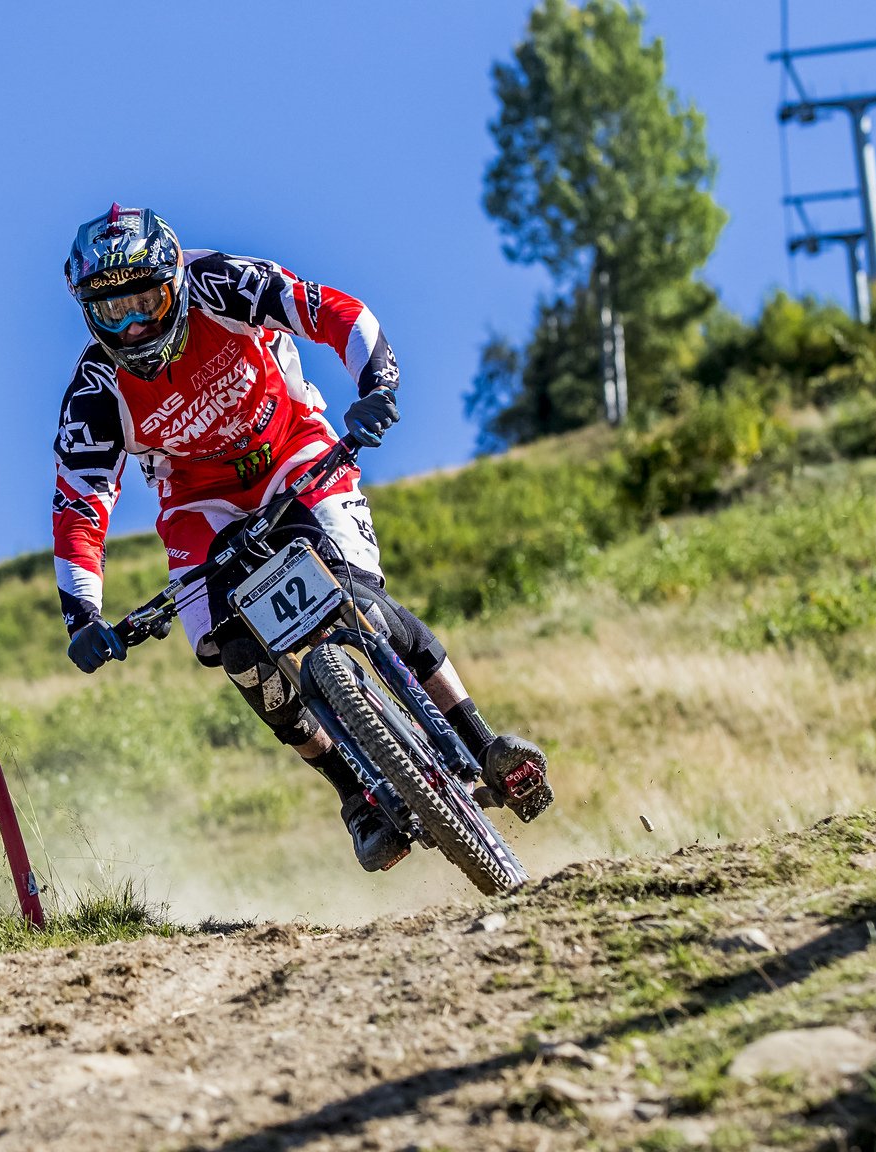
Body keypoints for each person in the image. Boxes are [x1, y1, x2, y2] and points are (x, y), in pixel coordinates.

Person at [51, 204, 552, 871]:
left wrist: (377, 383)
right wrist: (82, 614)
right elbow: (80, 502)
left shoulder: (222, 283)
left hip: (293, 450)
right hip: (202, 506)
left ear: (174, 279)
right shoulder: (95, 390)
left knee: (362, 597)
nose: (135, 324)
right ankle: (356, 798)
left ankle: (480, 738)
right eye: (113, 312)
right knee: (231, 648)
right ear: (90, 315)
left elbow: (331, 310)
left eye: (146, 300)